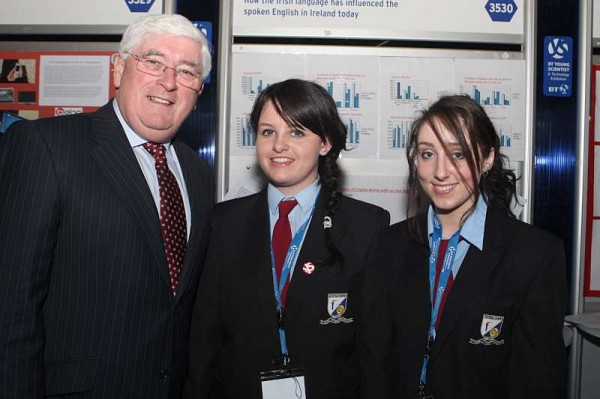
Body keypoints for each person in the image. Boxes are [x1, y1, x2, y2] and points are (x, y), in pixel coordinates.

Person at [0, 14, 214, 399]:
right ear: (119, 68)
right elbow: (11, 307)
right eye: (153, 62)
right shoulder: (46, 146)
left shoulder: (197, 173)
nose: (168, 81)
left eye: (186, 71)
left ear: (198, 89)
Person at [184, 78, 390, 399]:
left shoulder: (367, 226)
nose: (279, 145)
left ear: (325, 143)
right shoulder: (224, 222)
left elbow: (375, 350)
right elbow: (203, 339)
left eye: (296, 132)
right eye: (268, 132)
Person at [359, 95, 567, 398]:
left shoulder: (534, 255)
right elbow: (373, 360)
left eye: (457, 155)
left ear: (487, 158)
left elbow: (538, 381)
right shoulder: (390, 244)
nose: (440, 172)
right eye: (428, 154)